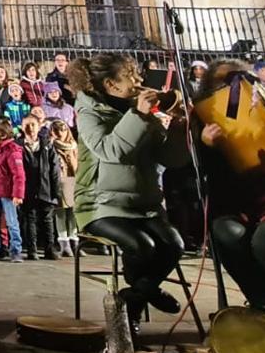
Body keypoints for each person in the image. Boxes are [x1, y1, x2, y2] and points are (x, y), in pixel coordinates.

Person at [71, 54, 189, 334]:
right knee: (141, 246)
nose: (139, 81)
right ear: (112, 84)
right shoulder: (89, 113)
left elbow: (170, 159)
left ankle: (134, 297)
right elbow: (110, 150)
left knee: (174, 244)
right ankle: (140, 301)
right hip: (100, 205)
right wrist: (138, 115)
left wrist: (179, 127)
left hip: (143, 204)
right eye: (131, 76)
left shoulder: (139, 111)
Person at [196, 60, 265, 314]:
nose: (234, 88)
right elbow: (201, 183)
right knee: (226, 232)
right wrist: (206, 148)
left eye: (240, 80)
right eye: (224, 84)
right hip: (239, 209)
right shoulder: (204, 125)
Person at [18, 114, 61, 260]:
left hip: (45, 187)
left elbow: (55, 169)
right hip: (26, 188)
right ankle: (32, 249)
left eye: (33, 125)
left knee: (47, 220)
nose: (30, 128)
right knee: (30, 219)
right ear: (22, 127)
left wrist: (56, 191)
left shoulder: (47, 145)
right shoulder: (17, 145)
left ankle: (50, 248)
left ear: (39, 126)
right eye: (27, 125)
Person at [0, 117, 25, 262]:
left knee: (12, 222)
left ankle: (15, 250)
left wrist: (18, 194)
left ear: (2, 135)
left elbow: (18, 174)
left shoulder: (12, 150)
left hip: (7, 193)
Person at [50, 119, 80, 257]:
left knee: (73, 212)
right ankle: (64, 243)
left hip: (74, 178)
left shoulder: (74, 145)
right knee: (61, 211)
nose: (60, 133)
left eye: (63, 130)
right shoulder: (52, 145)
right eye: (57, 130)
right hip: (59, 180)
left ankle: (75, 241)